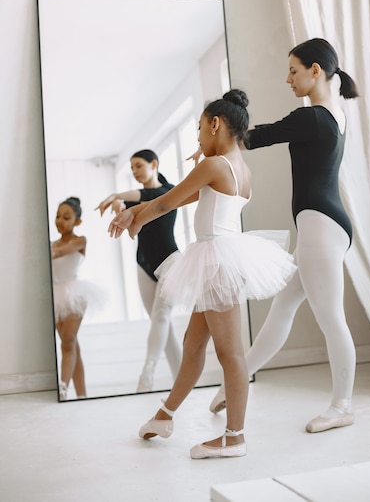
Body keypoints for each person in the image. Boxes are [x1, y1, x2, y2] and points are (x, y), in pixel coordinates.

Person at [108, 89, 296, 459]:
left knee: (231, 355)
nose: (196, 138)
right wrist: (139, 212)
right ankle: (165, 415)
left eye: (198, 130)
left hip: (217, 263)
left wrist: (132, 216)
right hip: (222, 260)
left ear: (215, 124)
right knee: (194, 347)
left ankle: (235, 437)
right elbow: (180, 196)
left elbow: (165, 201)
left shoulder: (214, 166)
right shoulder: (238, 168)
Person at [209, 38, 359, 434]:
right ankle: (235, 381)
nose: (287, 78)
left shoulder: (312, 118)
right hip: (324, 224)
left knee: (330, 318)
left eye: (294, 70)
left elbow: (259, 136)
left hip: (321, 226)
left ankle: (342, 405)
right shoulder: (335, 114)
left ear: (315, 70)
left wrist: (215, 141)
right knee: (284, 307)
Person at [96, 150, 182, 392]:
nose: (134, 171)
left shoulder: (169, 191)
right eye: (131, 168)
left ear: (154, 164)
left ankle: (148, 371)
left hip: (171, 262)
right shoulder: (133, 200)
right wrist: (118, 204)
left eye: (138, 166)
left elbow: (152, 196)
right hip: (143, 264)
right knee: (162, 324)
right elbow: (126, 207)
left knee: (162, 317)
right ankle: (183, 382)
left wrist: (116, 195)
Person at [51, 197, 89, 400]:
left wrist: (50, 252)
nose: (60, 221)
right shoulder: (51, 244)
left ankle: (63, 388)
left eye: (66, 217)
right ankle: (82, 394)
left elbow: (62, 252)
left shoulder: (80, 241)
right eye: (57, 216)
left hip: (75, 293)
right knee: (71, 345)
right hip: (56, 295)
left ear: (77, 221)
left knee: (69, 340)